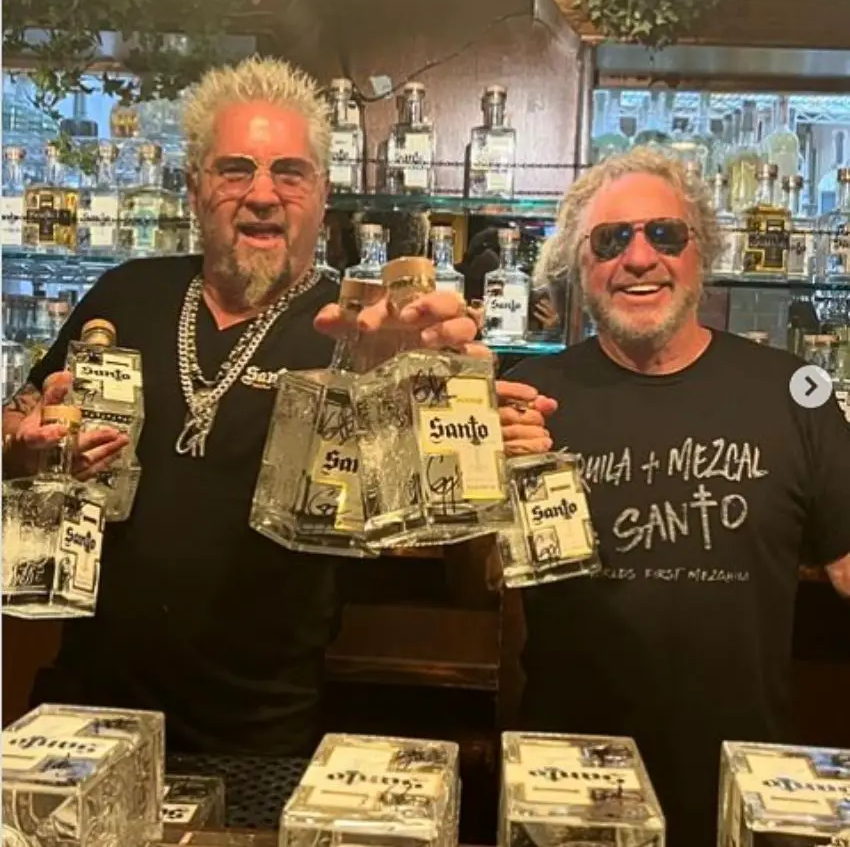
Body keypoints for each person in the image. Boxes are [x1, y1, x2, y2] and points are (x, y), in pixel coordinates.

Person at [1, 56, 484, 756]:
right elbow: (17, 417)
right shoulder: (126, 293)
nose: (262, 194)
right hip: (88, 709)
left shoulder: (356, 326)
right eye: (235, 170)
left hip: (265, 730)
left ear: (322, 192)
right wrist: (24, 440)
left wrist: (427, 383)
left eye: (289, 172)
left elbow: (434, 512)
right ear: (196, 188)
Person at [497, 148, 850, 847]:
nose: (638, 258)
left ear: (701, 252)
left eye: (663, 235)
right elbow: (478, 574)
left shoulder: (796, 391)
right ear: (579, 266)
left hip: (742, 792)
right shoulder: (526, 395)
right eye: (610, 240)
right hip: (571, 787)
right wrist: (496, 484)